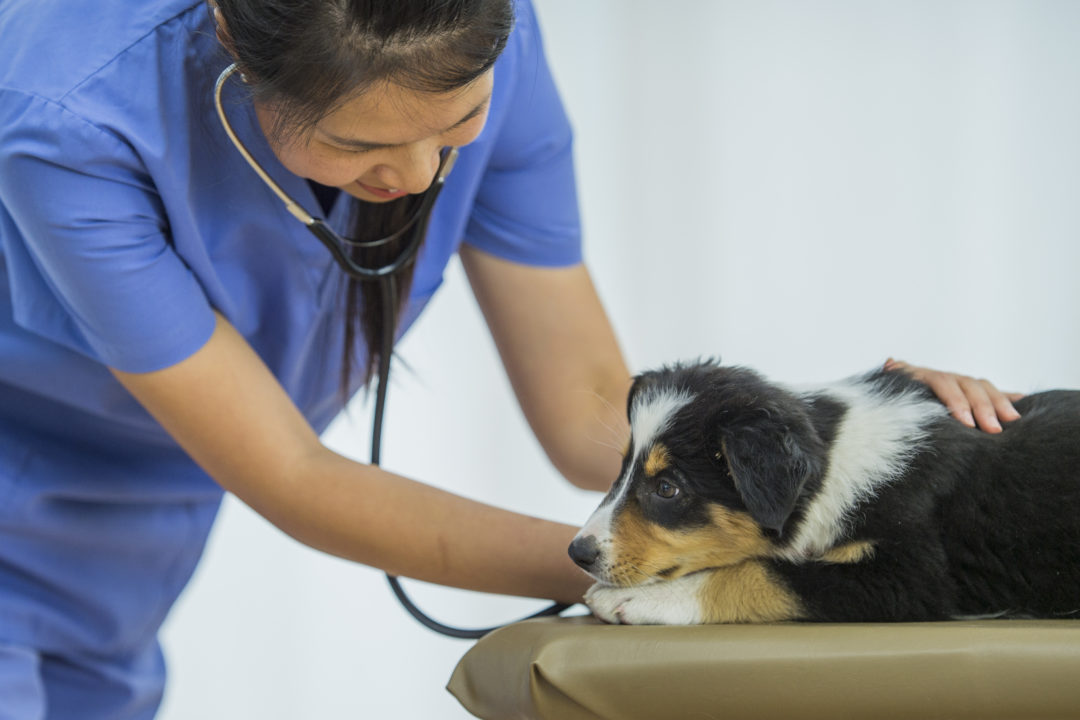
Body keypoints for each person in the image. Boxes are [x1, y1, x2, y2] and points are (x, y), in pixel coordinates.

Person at [0, 1, 1021, 718]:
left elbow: (591, 414)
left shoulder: (489, 37)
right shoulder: (68, 116)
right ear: (230, 36)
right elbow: (294, 476)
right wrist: (643, 581)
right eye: (358, 148)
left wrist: (829, 442)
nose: (412, 177)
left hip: (140, 519)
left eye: (456, 128)